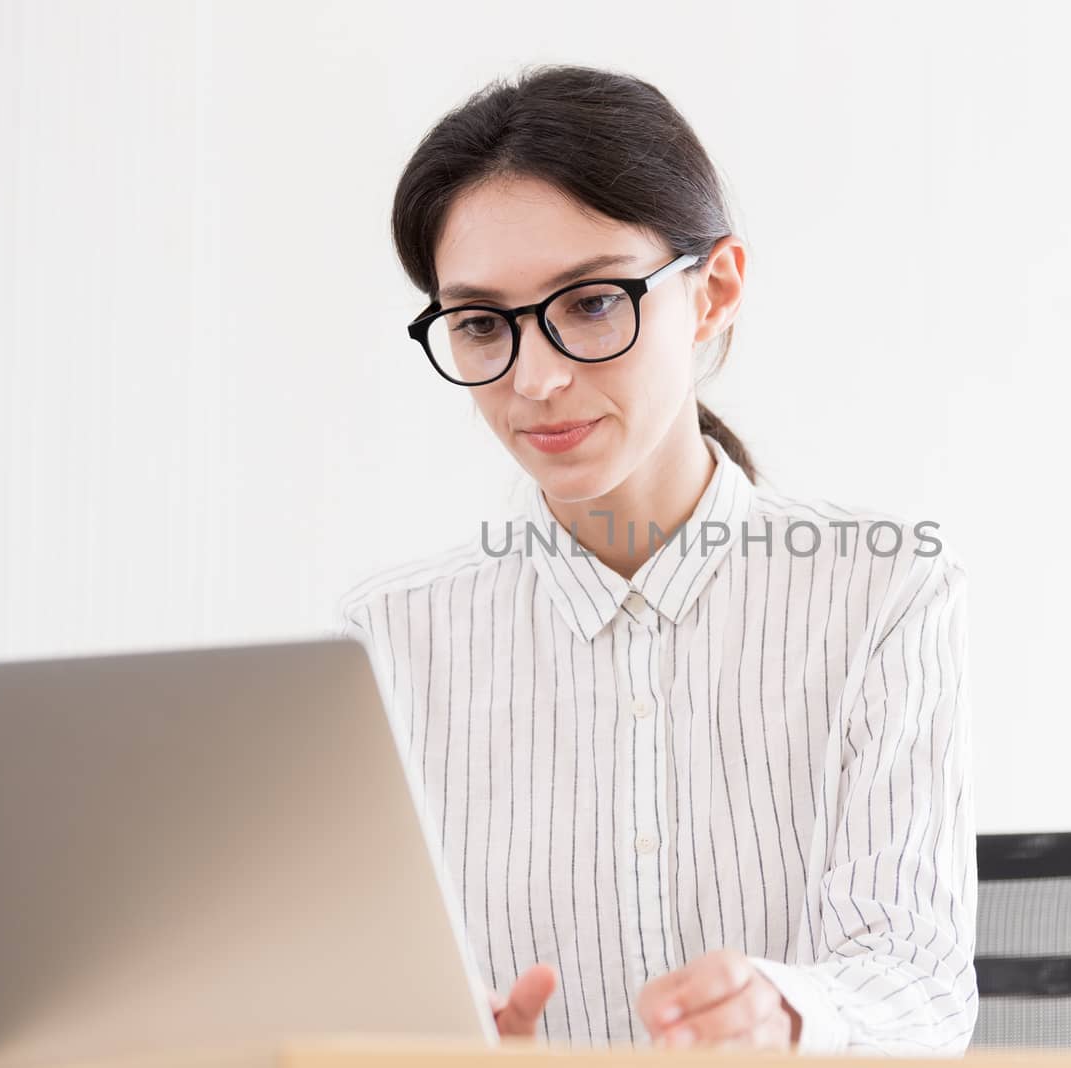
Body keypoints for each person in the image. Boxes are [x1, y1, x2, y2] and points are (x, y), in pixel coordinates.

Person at [333, 63, 978, 1055]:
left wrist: (787, 1010)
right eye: (479, 323)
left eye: (590, 304)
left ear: (712, 291)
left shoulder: (880, 593)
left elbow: (919, 986)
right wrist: (427, 1038)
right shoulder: (383, 641)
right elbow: (341, 990)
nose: (536, 379)